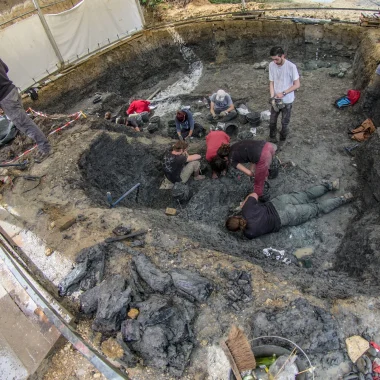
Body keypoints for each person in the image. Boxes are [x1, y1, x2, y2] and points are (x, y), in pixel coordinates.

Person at [226, 180, 353, 239]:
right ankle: (330, 185)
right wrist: (244, 204)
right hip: (279, 203)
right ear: (236, 217)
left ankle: (343, 199)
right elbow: (254, 195)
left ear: (237, 230)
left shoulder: (249, 234)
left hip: (285, 218)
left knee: (317, 208)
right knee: (307, 194)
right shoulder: (246, 210)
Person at [0, 59, 50, 162]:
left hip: (6, 98)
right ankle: (41, 143)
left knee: (25, 124)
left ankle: (45, 148)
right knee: (24, 122)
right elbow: (6, 68)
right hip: (11, 90)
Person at [268, 46, 300, 143]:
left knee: (284, 122)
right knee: (272, 121)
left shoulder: (291, 67)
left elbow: (297, 84)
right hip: (276, 99)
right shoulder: (271, 65)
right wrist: (272, 96)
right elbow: (271, 82)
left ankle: (283, 138)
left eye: (276, 59)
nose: (275, 62)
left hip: (287, 100)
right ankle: (272, 137)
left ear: (283, 56)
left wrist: (284, 93)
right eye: (273, 59)